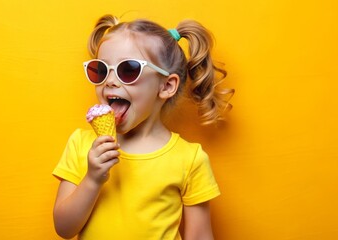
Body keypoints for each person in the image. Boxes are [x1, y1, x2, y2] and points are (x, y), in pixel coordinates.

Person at [52, 14, 234, 240]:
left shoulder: (190, 159)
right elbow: (64, 228)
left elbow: (199, 236)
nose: (109, 81)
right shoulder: (82, 145)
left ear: (166, 86)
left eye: (127, 70)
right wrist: (92, 178)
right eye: (101, 70)